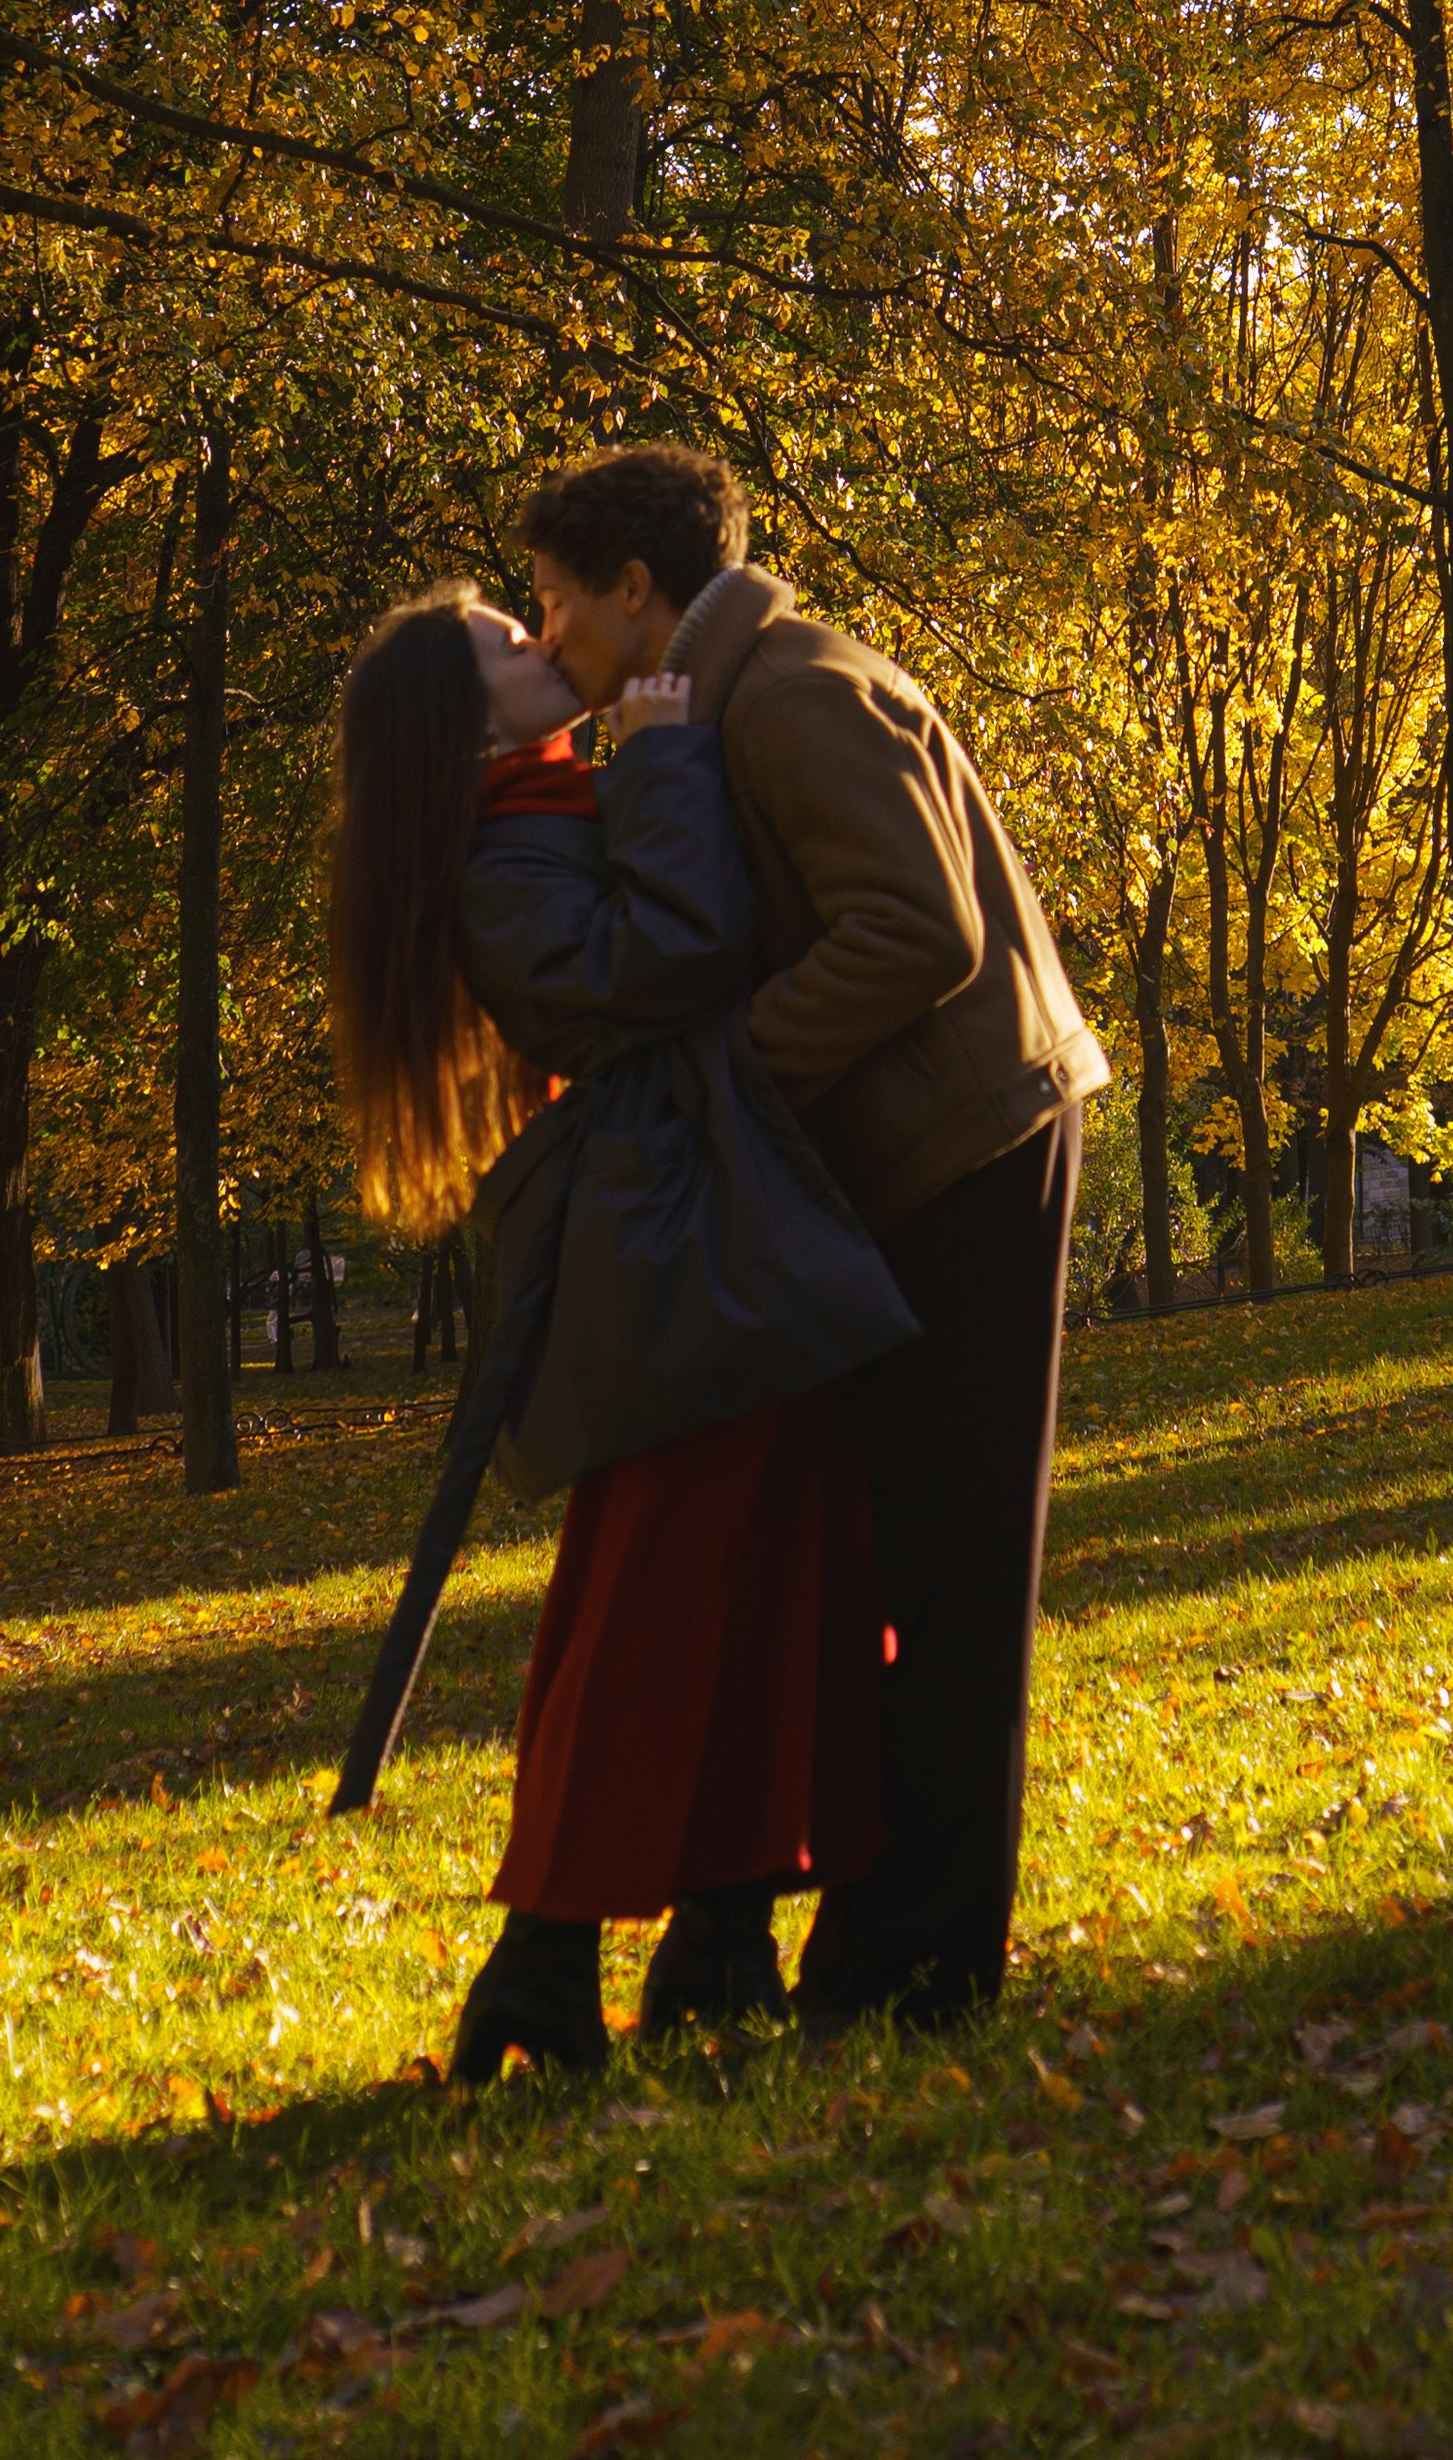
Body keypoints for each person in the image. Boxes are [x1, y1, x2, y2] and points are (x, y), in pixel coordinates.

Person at [524, 445, 1110, 2032]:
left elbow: (919, 931)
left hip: (971, 1148)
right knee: (899, 1566)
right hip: (918, 1158)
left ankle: (923, 1965)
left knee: (958, 1570)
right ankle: (873, 1946)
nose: (551, 646)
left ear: (637, 592)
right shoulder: (728, 695)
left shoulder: (789, 690)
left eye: (559, 606)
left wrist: (736, 1086)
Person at [326, 581, 898, 2080]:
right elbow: (671, 964)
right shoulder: (498, 860)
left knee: (775, 1570)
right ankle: (546, 1952)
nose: (538, 636)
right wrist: (655, 764)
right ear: (458, 728)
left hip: (715, 1214)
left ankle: (724, 1928)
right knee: (655, 1592)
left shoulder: (538, 803)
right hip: (670, 1242)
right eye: (501, 646)